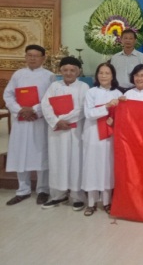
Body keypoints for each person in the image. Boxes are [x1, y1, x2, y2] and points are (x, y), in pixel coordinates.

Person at [4, 45, 55, 206]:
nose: (32, 58)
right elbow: (8, 95)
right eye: (29, 55)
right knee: (21, 154)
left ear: (43, 58)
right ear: (25, 57)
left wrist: (34, 110)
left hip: (39, 121)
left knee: (41, 154)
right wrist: (20, 110)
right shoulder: (18, 74)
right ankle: (22, 190)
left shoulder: (50, 76)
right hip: (21, 121)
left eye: (36, 55)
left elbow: (50, 98)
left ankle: (43, 190)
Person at [40, 57, 89, 211]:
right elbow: (45, 105)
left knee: (75, 162)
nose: (69, 73)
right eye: (65, 70)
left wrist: (62, 119)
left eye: (72, 70)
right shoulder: (54, 86)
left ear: (78, 71)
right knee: (57, 161)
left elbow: (82, 109)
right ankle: (57, 195)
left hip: (75, 131)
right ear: (60, 71)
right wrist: (56, 122)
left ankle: (77, 196)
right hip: (57, 132)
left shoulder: (84, 87)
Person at [81, 62, 122, 217]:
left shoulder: (118, 93)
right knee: (92, 166)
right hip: (93, 134)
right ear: (97, 75)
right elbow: (89, 113)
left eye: (107, 73)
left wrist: (114, 119)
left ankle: (107, 202)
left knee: (107, 167)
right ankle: (91, 202)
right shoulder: (91, 92)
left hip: (109, 136)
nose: (104, 76)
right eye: (101, 73)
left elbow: (122, 116)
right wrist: (106, 107)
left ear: (113, 76)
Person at [110, 29, 143, 93]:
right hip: (117, 90)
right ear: (121, 40)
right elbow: (111, 75)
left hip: (136, 90)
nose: (128, 40)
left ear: (135, 41)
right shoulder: (115, 58)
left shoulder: (142, 57)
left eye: (131, 38)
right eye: (125, 38)